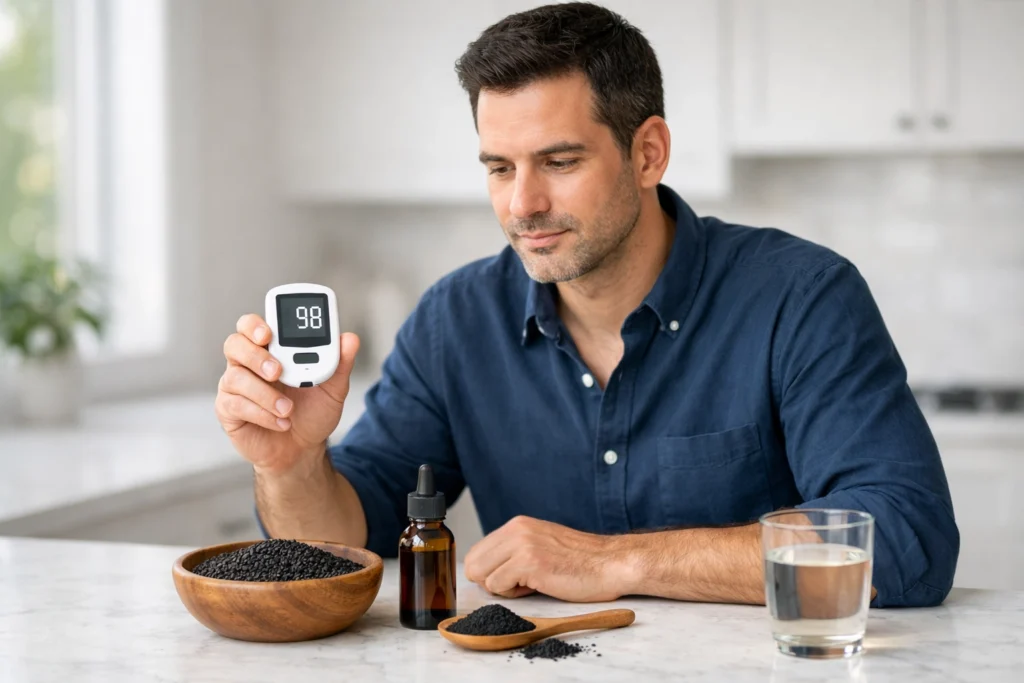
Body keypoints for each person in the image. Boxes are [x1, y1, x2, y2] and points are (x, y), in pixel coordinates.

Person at [215, 2, 958, 608]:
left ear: (648, 153)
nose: (523, 204)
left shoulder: (801, 297)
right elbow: (352, 543)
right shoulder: (455, 321)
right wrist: (293, 466)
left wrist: (614, 560)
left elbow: (906, 540)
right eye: (499, 167)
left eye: (560, 162)